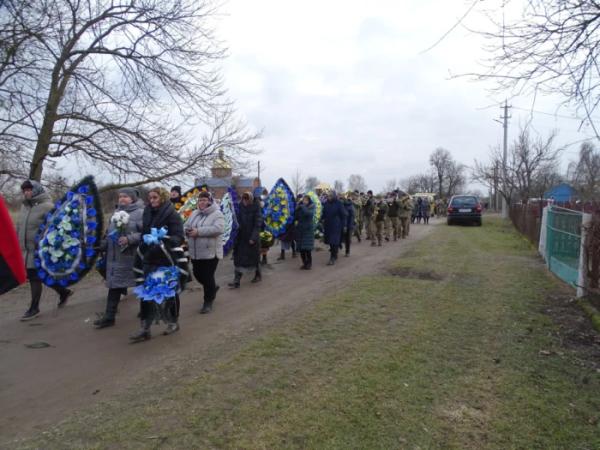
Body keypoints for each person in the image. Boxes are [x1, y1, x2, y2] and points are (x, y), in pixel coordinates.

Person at [130, 187, 186, 342]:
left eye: (155, 197)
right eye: (150, 198)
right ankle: (145, 328)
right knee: (146, 294)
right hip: (149, 259)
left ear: (162, 197)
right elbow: (144, 233)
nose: (152, 200)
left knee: (169, 294)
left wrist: (163, 238)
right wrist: (146, 241)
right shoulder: (147, 212)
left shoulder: (172, 214)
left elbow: (179, 237)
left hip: (165, 260)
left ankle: (173, 322)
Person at [17, 180, 73, 320]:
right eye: (24, 190)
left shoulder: (47, 206)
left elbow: (56, 227)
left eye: (29, 190)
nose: (26, 193)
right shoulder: (24, 207)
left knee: (34, 277)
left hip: (40, 250)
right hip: (26, 249)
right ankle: (64, 292)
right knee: (40, 276)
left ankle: (34, 308)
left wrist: (47, 243)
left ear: (36, 190)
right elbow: (20, 227)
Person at [94, 188, 144, 329]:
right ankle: (109, 317)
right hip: (115, 258)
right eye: (120, 196)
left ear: (133, 198)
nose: (122, 199)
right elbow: (108, 234)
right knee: (115, 286)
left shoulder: (141, 213)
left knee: (140, 284)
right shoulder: (115, 214)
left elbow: (146, 233)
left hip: (133, 257)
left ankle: (146, 309)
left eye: (125, 196)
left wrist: (130, 239)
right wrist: (102, 244)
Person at [185, 191, 224, 314]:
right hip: (196, 252)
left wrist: (198, 232)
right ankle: (212, 287)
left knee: (207, 277)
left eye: (204, 200)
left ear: (209, 201)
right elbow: (185, 225)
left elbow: (218, 229)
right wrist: (187, 230)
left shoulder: (217, 214)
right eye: (200, 200)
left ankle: (208, 301)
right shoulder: (194, 213)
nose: (202, 202)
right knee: (197, 274)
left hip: (210, 252)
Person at [229, 191, 263, 288]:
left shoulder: (256, 208)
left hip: (252, 238)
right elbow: (236, 220)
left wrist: (253, 237)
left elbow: (258, 224)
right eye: (244, 199)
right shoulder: (239, 207)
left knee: (254, 259)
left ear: (251, 199)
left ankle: (258, 274)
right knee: (238, 259)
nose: (245, 201)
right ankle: (236, 281)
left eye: (247, 199)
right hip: (241, 238)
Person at [321, 190, 347, 265]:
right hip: (328, 225)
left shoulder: (339, 203)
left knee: (333, 242)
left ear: (334, 196)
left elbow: (343, 215)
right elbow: (324, 213)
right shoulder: (326, 204)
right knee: (331, 242)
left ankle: (332, 258)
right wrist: (320, 218)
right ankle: (335, 254)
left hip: (336, 226)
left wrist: (344, 225)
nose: (329, 197)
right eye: (328, 196)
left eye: (330, 196)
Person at [295, 194, 315, 269]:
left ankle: (309, 264)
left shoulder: (311, 207)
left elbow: (308, 214)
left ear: (309, 201)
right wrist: (296, 208)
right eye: (303, 200)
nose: (304, 201)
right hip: (300, 230)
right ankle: (304, 263)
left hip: (308, 230)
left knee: (307, 249)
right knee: (301, 249)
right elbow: (296, 217)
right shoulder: (301, 207)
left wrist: (302, 206)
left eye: (306, 200)